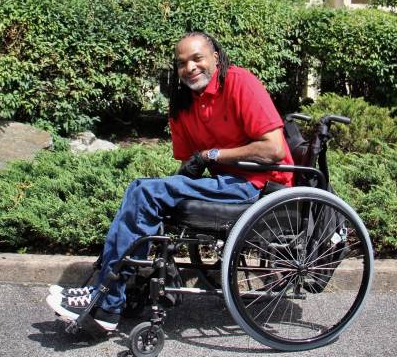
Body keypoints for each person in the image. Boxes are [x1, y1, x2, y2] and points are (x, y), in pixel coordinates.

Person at [46, 31, 293, 332]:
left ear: (215, 58)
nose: (190, 68)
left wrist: (212, 155)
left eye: (197, 58)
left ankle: (106, 304)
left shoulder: (241, 83)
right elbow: (188, 166)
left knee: (148, 193)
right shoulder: (184, 103)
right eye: (182, 63)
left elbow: (274, 149)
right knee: (142, 189)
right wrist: (167, 194)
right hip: (226, 183)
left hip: (257, 186)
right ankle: (107, 288)